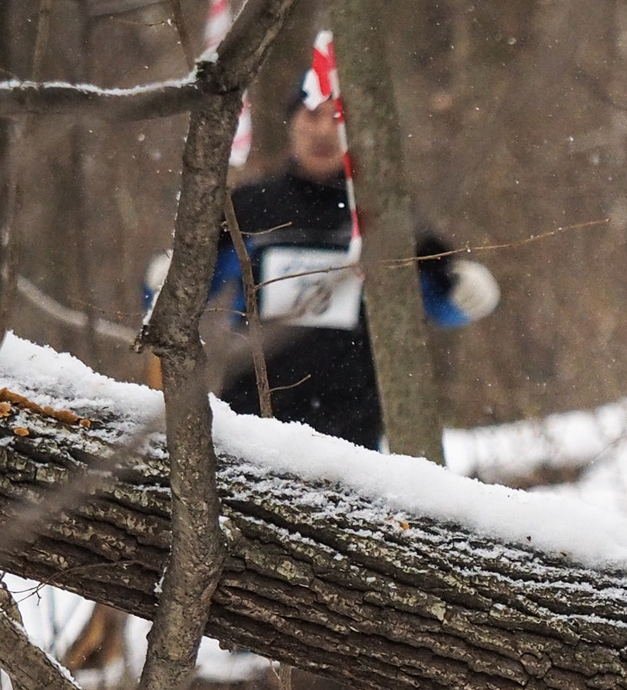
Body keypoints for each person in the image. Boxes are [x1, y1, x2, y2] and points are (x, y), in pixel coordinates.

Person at [199, 83, 501, 448]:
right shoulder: (249, 206)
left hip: (353, 428)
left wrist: (468, 293)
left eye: (339, 117)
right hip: (252, 419)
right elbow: (187, 292)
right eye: (313, 115)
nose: (324, 130)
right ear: (292, 121)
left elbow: (436, 298)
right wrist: (161, 281)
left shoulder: (385, 211)